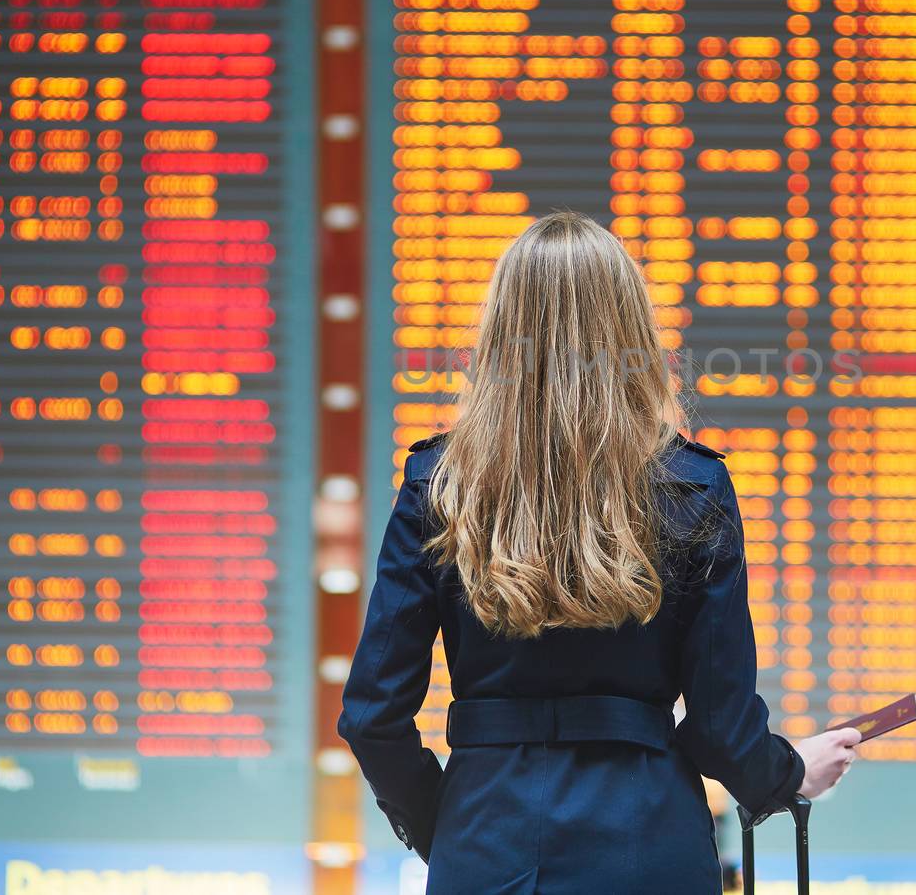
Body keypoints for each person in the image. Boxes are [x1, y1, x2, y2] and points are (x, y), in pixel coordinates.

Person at [337, 211, 861, 893]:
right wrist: (788, 771)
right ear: (631, 331)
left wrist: (448, 827)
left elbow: (373, 714)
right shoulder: (693, 486)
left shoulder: (439, 484)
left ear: (497, 335)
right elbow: (718, 724)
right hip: (649, 849)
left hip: (483, 844)